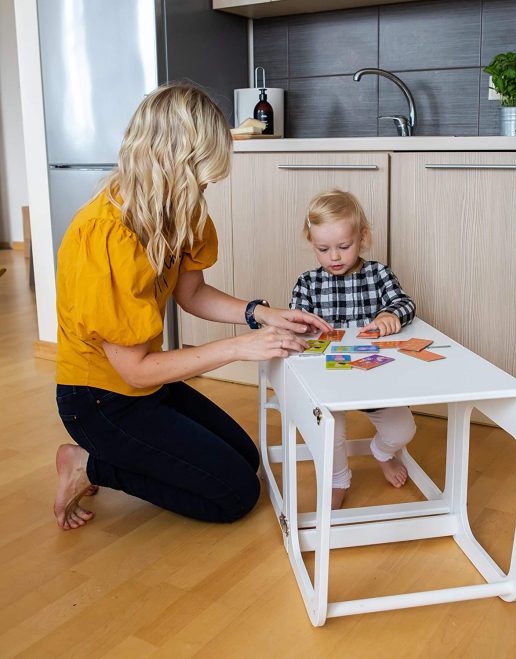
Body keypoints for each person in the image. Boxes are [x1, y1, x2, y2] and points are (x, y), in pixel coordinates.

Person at [54, 83, 331, 531]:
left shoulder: (182, 211)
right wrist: (239, 347)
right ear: (172, 163)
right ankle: (87, 464)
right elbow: (135, 370)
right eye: (202, 174)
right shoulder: (104, 235)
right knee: (235, 496)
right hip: (100, 400)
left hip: (147, 388)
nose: (207, 186)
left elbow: (192, 294)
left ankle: (107, 459)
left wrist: (261, 313)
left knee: (247, 459)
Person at [290, 189, 417, 509]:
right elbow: (296, 319)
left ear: (362, 238)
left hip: (374, 377)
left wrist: (391, 315)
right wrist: (303, 325)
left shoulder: (378, 274)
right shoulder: (308, 283)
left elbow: (405, 304)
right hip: (327, 381)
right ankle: (338, 479)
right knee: (330, 429)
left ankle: (382, 453)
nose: (334, 257)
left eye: (343, 247)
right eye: (323, 248)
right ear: (311, 243)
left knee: (403, 429)